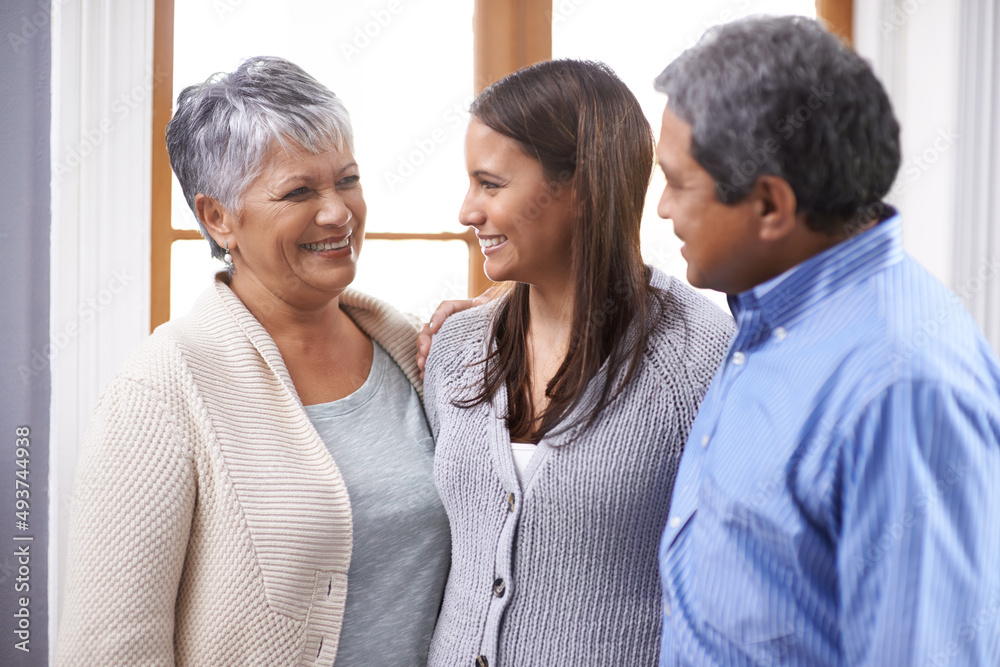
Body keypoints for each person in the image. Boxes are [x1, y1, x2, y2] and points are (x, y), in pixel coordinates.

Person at [55, 56, 449, 666]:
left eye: (346, 179)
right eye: (299, 191)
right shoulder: (163, 386)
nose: (338, 212)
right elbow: (109, 649)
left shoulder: (408, 347)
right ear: (218, 217)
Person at [653, 16, 1000, 666]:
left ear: (770, 206)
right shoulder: (772, 309)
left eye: (675, 181)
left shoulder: (901, 387)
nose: (663, 208)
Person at [421, 59, 734, 666]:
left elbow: (739, 585)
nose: (467, 211)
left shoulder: (700, 357)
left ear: (583, 187)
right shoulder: (456, 349)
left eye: (491, 184)